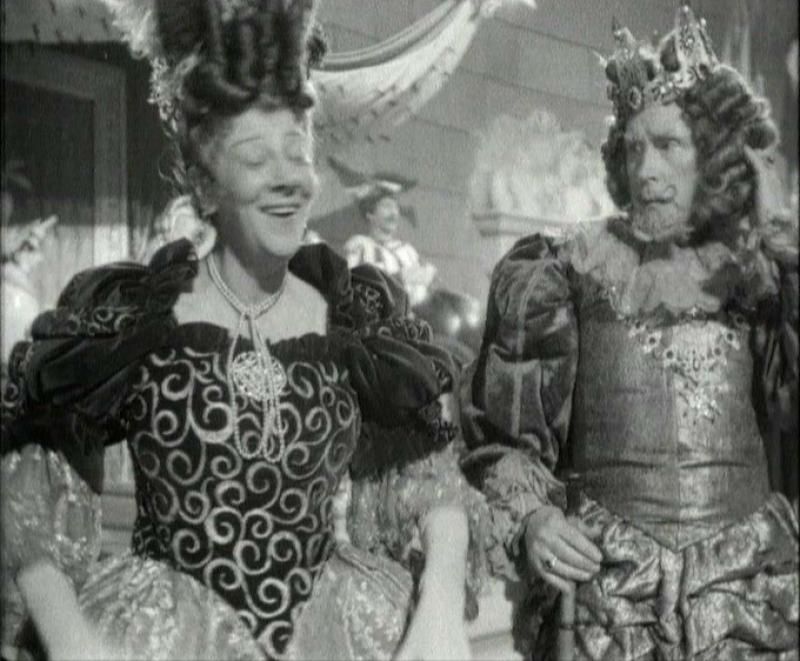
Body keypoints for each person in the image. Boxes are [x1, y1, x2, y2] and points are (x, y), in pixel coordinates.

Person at [0, 1, 485, 659]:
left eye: (298, 152)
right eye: (256, 157)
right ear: (205, 183)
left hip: (333, 630)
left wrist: (440, 605)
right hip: (166, 638)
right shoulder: (138, 319)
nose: (289, 180)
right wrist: (72, 639)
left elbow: (429, 474)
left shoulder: (353, 320)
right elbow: (31, 476)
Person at [462, 6, 798, 660]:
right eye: (634, 147)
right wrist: (534, 517)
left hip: (744, 600)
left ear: (716, 156)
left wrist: (781, 242)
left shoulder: (763, 278)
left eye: (668, 146)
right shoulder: (567, 270)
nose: (645, 171)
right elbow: (504, 440)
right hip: (609, 606)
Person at [330, 157, 438, 307]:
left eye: (395, 208)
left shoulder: (408, 251)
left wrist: (431, 278)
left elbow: (428, 294)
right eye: (386, 206)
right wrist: (400, 278)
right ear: (370, 214)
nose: (393, 213)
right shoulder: (360, 247)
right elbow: (351, 291)